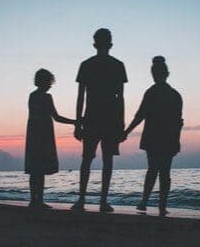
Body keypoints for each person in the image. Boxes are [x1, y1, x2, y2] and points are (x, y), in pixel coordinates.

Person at [71, 28, 128, 212]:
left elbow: (80, 97)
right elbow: (121, 98)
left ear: (95, 44)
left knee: (87, 159)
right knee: (107, 160)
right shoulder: (118, 65)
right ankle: (103, 201)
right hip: (110, 120)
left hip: (91, 119)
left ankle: (81, 200)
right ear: (110, 44)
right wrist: (122, 123)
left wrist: (78, 122)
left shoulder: (86, 64)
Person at [122, 56, 183, 216]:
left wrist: (126, 132)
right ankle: (161, 205)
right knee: (164, 173)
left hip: (154, 137)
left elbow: (139, 116)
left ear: (155, 74)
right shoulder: (175, 95)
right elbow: (178, 122)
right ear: (167, 74)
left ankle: (144, 202)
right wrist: (177, 140)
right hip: (168, 138)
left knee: (153, 171)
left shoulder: (152, 92)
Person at [25, 69, 77, 208]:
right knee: (40, 170)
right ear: (45, 81)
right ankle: (39, 201)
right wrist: (76, 122)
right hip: (43, 134)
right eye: (49, 82)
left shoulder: (32, 96)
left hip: (33, 134)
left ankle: (33, 200)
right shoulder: (46, 97)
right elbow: (57, 117)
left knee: (34, 170)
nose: (50, 85)